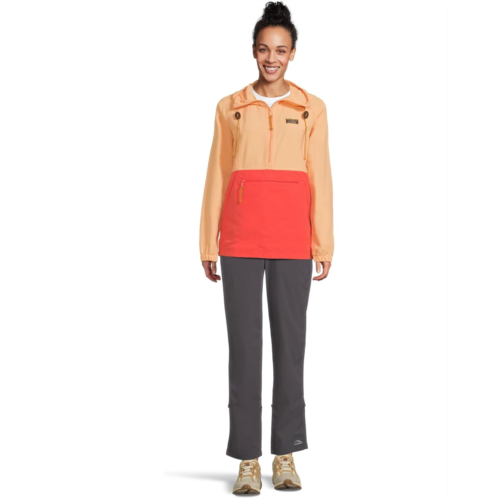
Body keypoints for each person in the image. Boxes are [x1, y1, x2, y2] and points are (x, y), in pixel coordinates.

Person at [199, 1, 334, 494]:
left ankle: (285, 453)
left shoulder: (311, 107)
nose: (271, 58)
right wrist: (208, 241)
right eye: (263, 49)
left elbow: (320, 177)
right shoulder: (230, 107)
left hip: (293, 241)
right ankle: (247, 460)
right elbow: (218, 173)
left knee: (290, 350)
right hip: (238, 239)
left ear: (293, 53)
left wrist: (323, 241)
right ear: (253, 51)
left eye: (280, 50)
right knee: (244, 350)